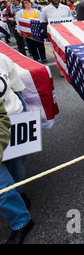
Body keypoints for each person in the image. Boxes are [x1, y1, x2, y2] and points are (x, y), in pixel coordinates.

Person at [0, 56, 34, 243]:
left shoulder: (2, 59)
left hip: (13, 120)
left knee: (17, 171)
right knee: (1, 187)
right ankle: (21, 220)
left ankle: (18, 194)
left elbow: (17, 88)